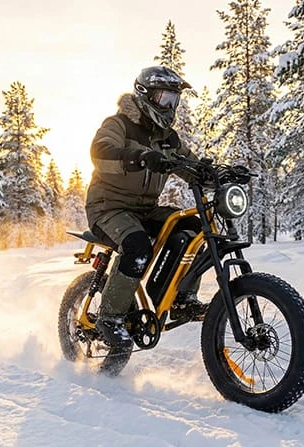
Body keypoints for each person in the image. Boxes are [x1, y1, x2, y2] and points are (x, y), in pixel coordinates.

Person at [85, 66, 207, 349]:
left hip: (144, 209)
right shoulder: (118, 125)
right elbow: (100, 153)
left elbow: (189, 163)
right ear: (145, 96)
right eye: (165, 99)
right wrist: (139, 157)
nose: (170, 107)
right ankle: (110, 317)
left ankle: (179, 299)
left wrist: (212, 173)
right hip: (108, 207)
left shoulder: (168, 138)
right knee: (138, 246)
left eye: (174, 101)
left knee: (192, 229)